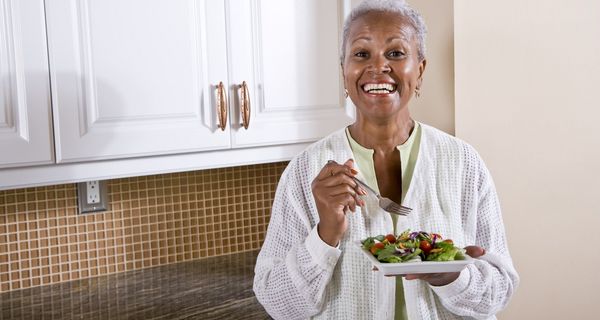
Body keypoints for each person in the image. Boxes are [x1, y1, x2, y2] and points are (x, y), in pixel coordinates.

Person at [253, 0, 519, 319]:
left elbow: (499, 290)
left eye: (395, 53)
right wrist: (325, 235)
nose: (378, 67)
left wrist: (453, 276)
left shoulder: (463, 163)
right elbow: (278, 304)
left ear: (419, 71)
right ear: (344, 72)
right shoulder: (305, 171)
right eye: (361, 54)